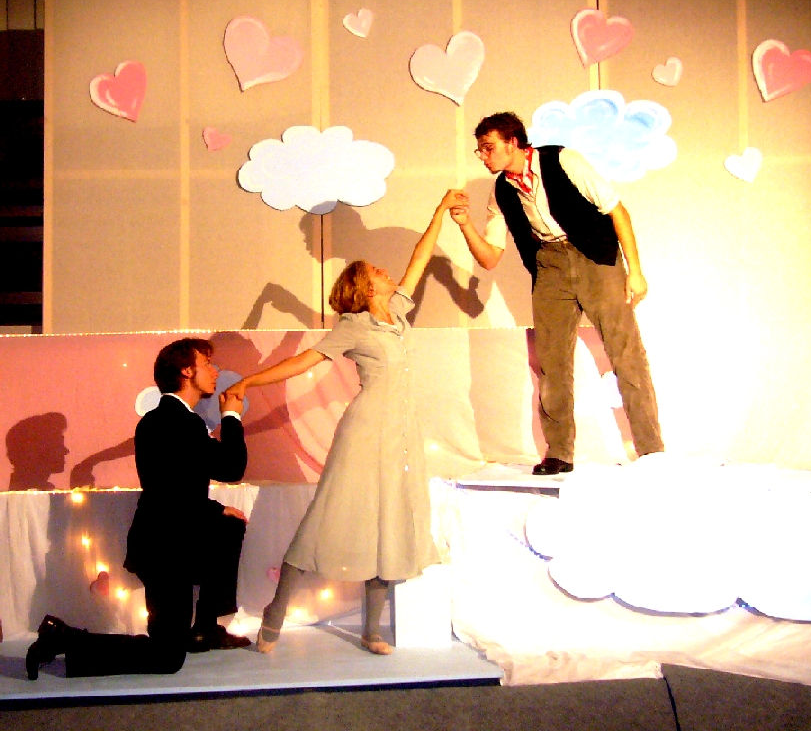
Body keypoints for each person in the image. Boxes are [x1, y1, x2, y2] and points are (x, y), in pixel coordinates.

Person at [225, 191, 463, 655]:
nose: (386, 271)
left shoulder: (397, 312)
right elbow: (303, 362)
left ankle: (372, 629)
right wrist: (250, 381)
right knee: (325, 518)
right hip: (364, 431)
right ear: (366, 287)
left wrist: (438, 213)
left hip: (401, 435)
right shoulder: (353, 327)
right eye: (377, 271)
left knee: (389, 522)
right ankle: (274, 612)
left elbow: (419, 258)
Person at [448, 112, 664, 476]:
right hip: (550, 265)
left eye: (488, 147)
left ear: (512, 142)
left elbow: (617, 210)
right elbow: (490, 257)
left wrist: (636, 271)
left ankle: (651, 451)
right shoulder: (501, 190)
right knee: (552, 363)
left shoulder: (563, 160)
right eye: (480, 150)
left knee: (626, 354)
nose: (483, 156)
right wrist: (465, 224)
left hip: (595, 256)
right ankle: (559, 452)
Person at [26, 338, 250, 679]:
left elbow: (175, 486)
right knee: (166, 657)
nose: (215, 371)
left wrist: (217, 510)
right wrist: (231, 415)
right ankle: (62, 638)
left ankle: (205, 628)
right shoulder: (177, 422)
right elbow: (230, 468)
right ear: (187, 371)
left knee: (229, 526)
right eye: (207, 364)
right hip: (165, 551)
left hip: (171, 541)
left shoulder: (168, 419)